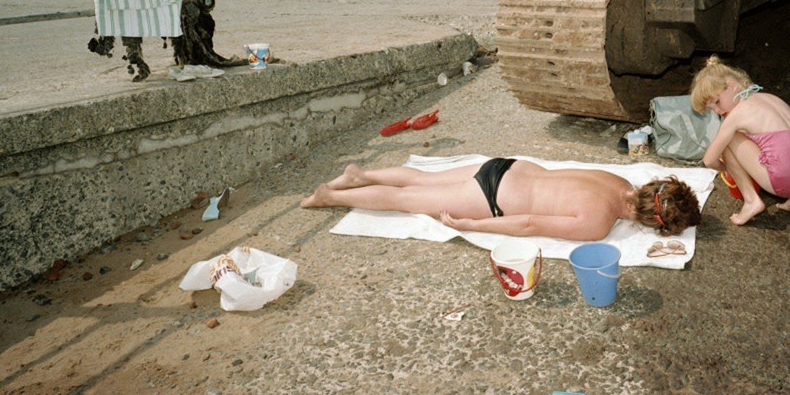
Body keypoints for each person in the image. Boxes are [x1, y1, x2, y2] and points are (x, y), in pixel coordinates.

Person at [300, 158, 701, 241]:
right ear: (652, 222)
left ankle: (361, 174)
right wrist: (473, 226)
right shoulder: (599, 223)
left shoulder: (617, 181)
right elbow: (528, 224)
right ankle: (329, 197)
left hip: (507, 167)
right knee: (409, 200)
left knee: (425, 179)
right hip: (494, 196)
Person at [690, 55, 790, 226]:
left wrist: (729, 168)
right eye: (712, 109)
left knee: (728, 140)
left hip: (785, 180)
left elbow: (709, 160)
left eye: (717, 102)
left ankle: (751, 201)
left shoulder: (736, 115)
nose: (718, 111)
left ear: (732, 85)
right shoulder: (772, 99)